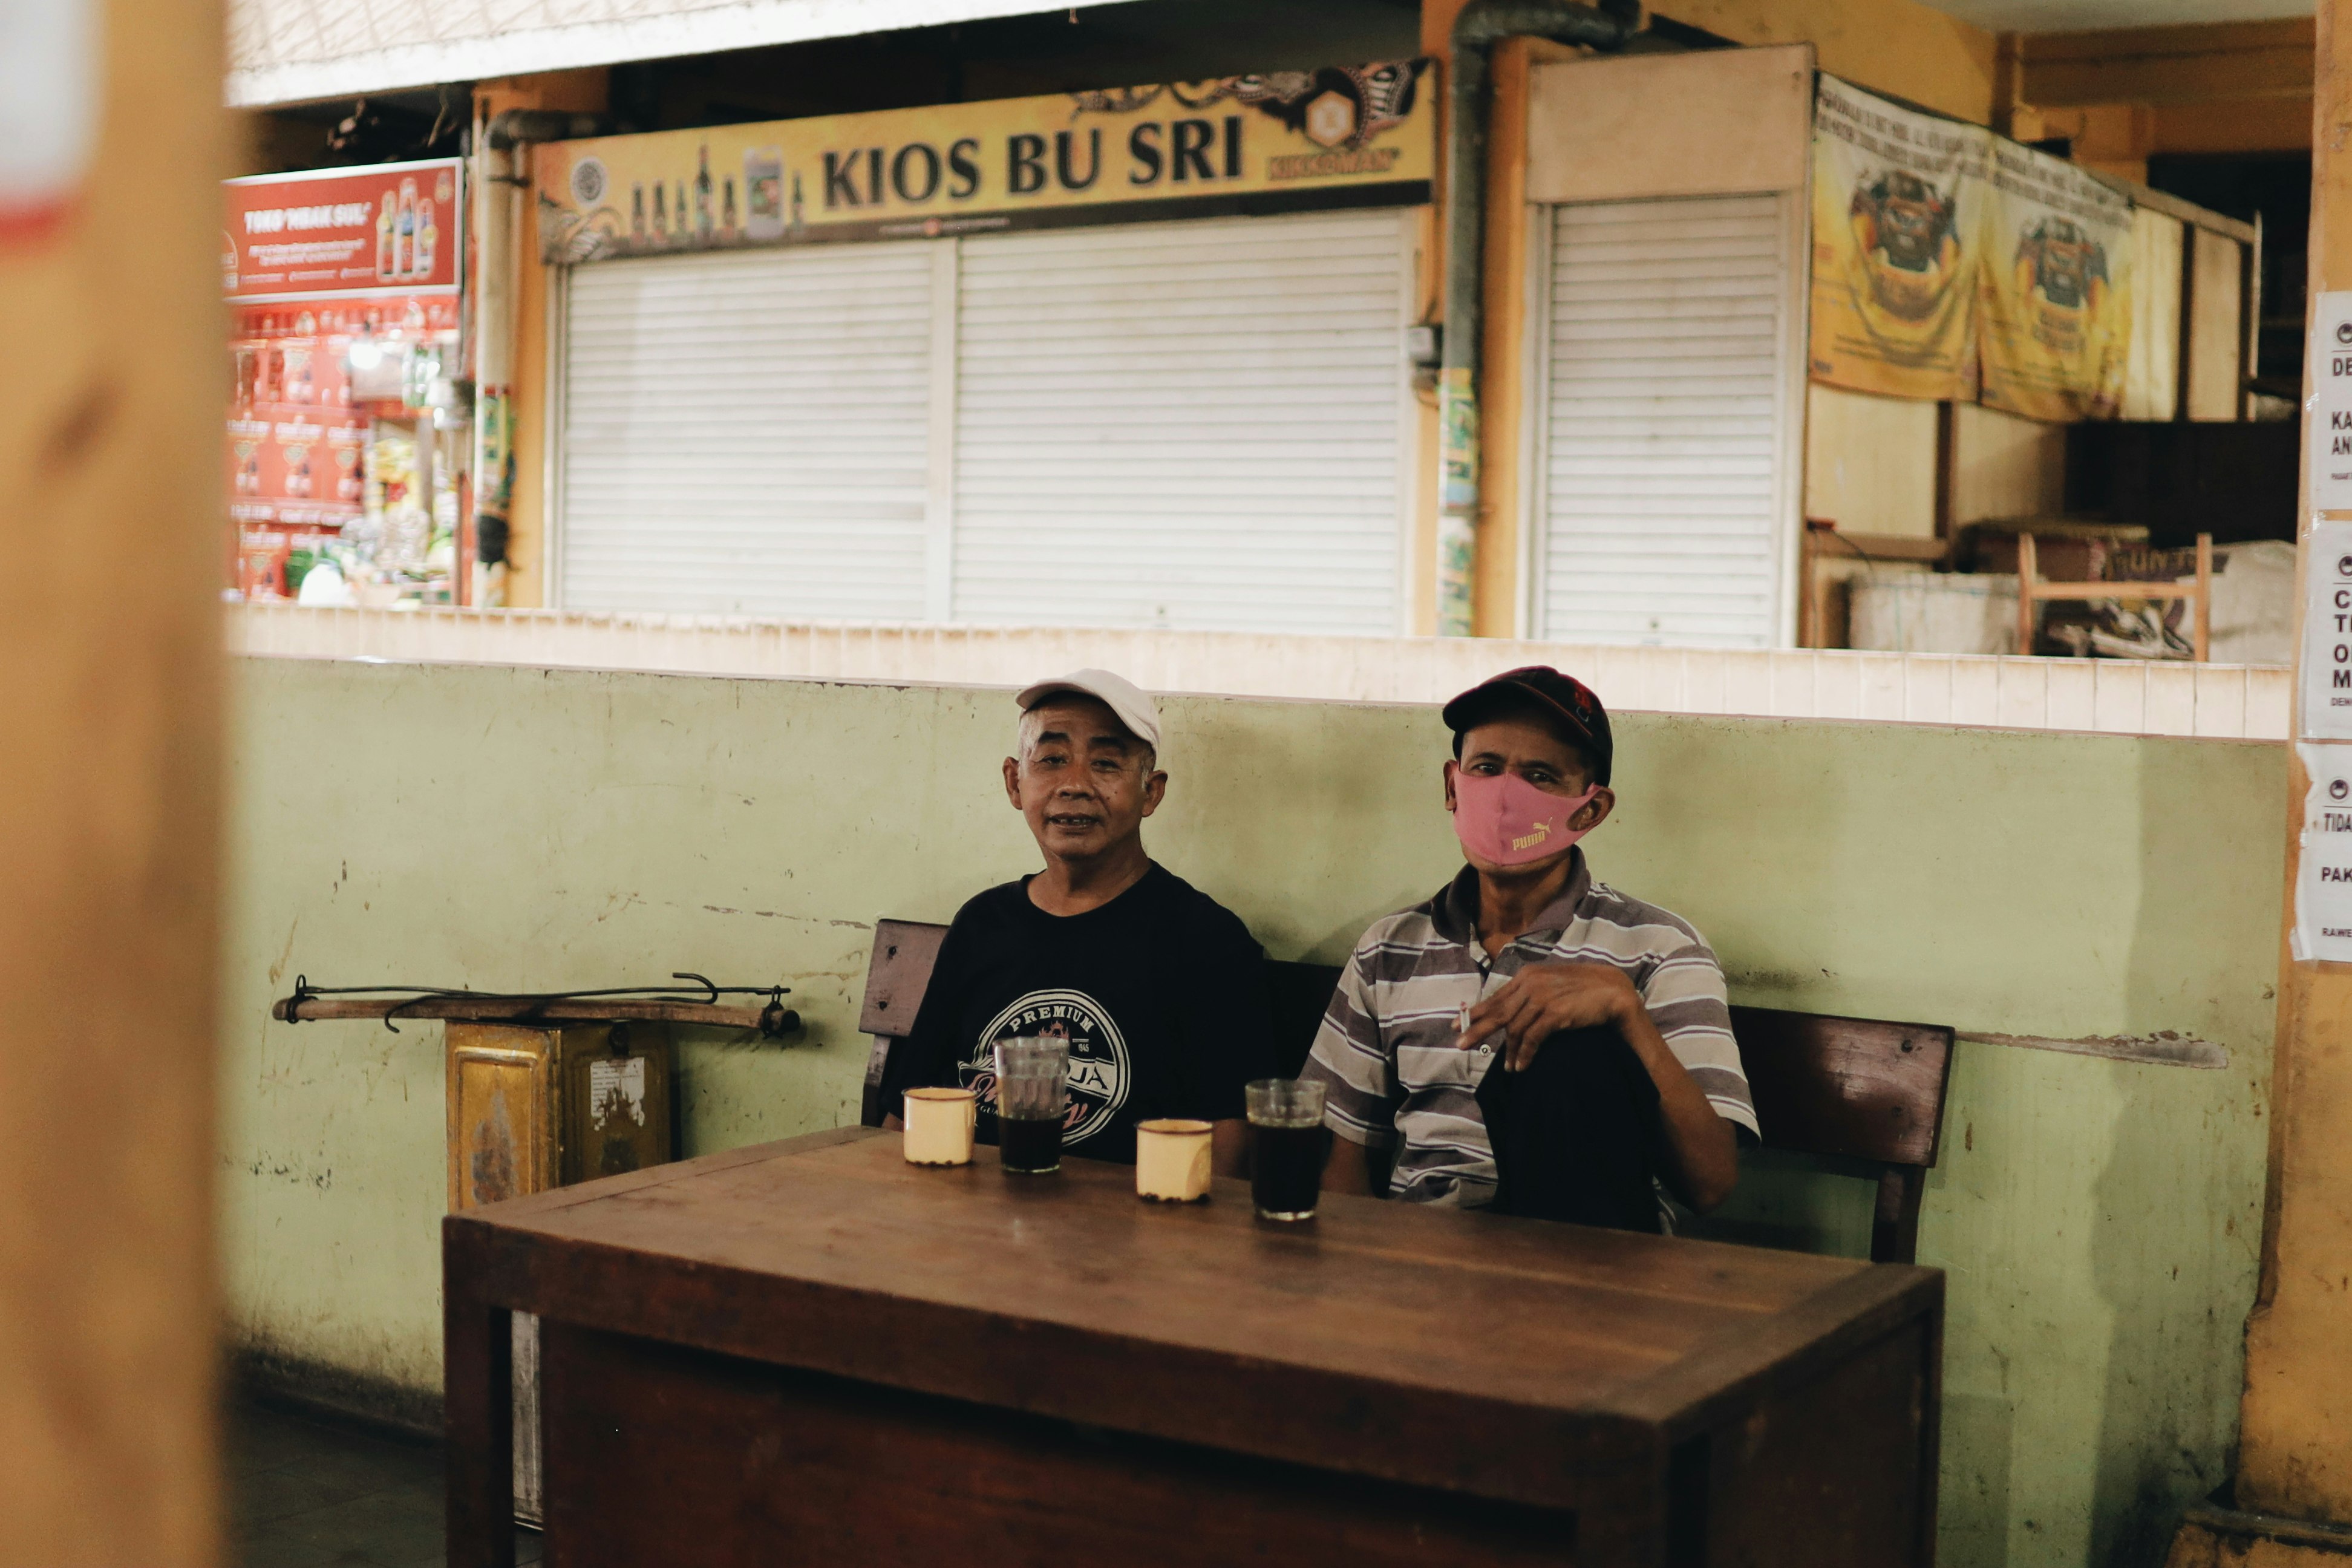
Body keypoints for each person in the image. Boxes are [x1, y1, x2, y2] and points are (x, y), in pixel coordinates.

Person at [1301, 667, 1754, 1229]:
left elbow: (1711, 1183)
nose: (1505, 797)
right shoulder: (1389, 950)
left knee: (1577, 1056)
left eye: (1540, 777)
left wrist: (1624, 1013)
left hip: (1589, 1265)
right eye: (1487, 768)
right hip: (1425, 1262)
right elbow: (1343, 1161)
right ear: (1452, 786)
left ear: (1589, 810)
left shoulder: (1661, 950)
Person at [880, 669, 1279, 1174]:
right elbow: (910, 1106)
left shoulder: (1206, 942)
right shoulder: (982, 925)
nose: (1075, 785)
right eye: (1051, 760)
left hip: (1129, 1230)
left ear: (1150, 793)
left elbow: (1231, 1141)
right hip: (968, 1220)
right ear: (1014, 782)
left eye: (1107, 763)